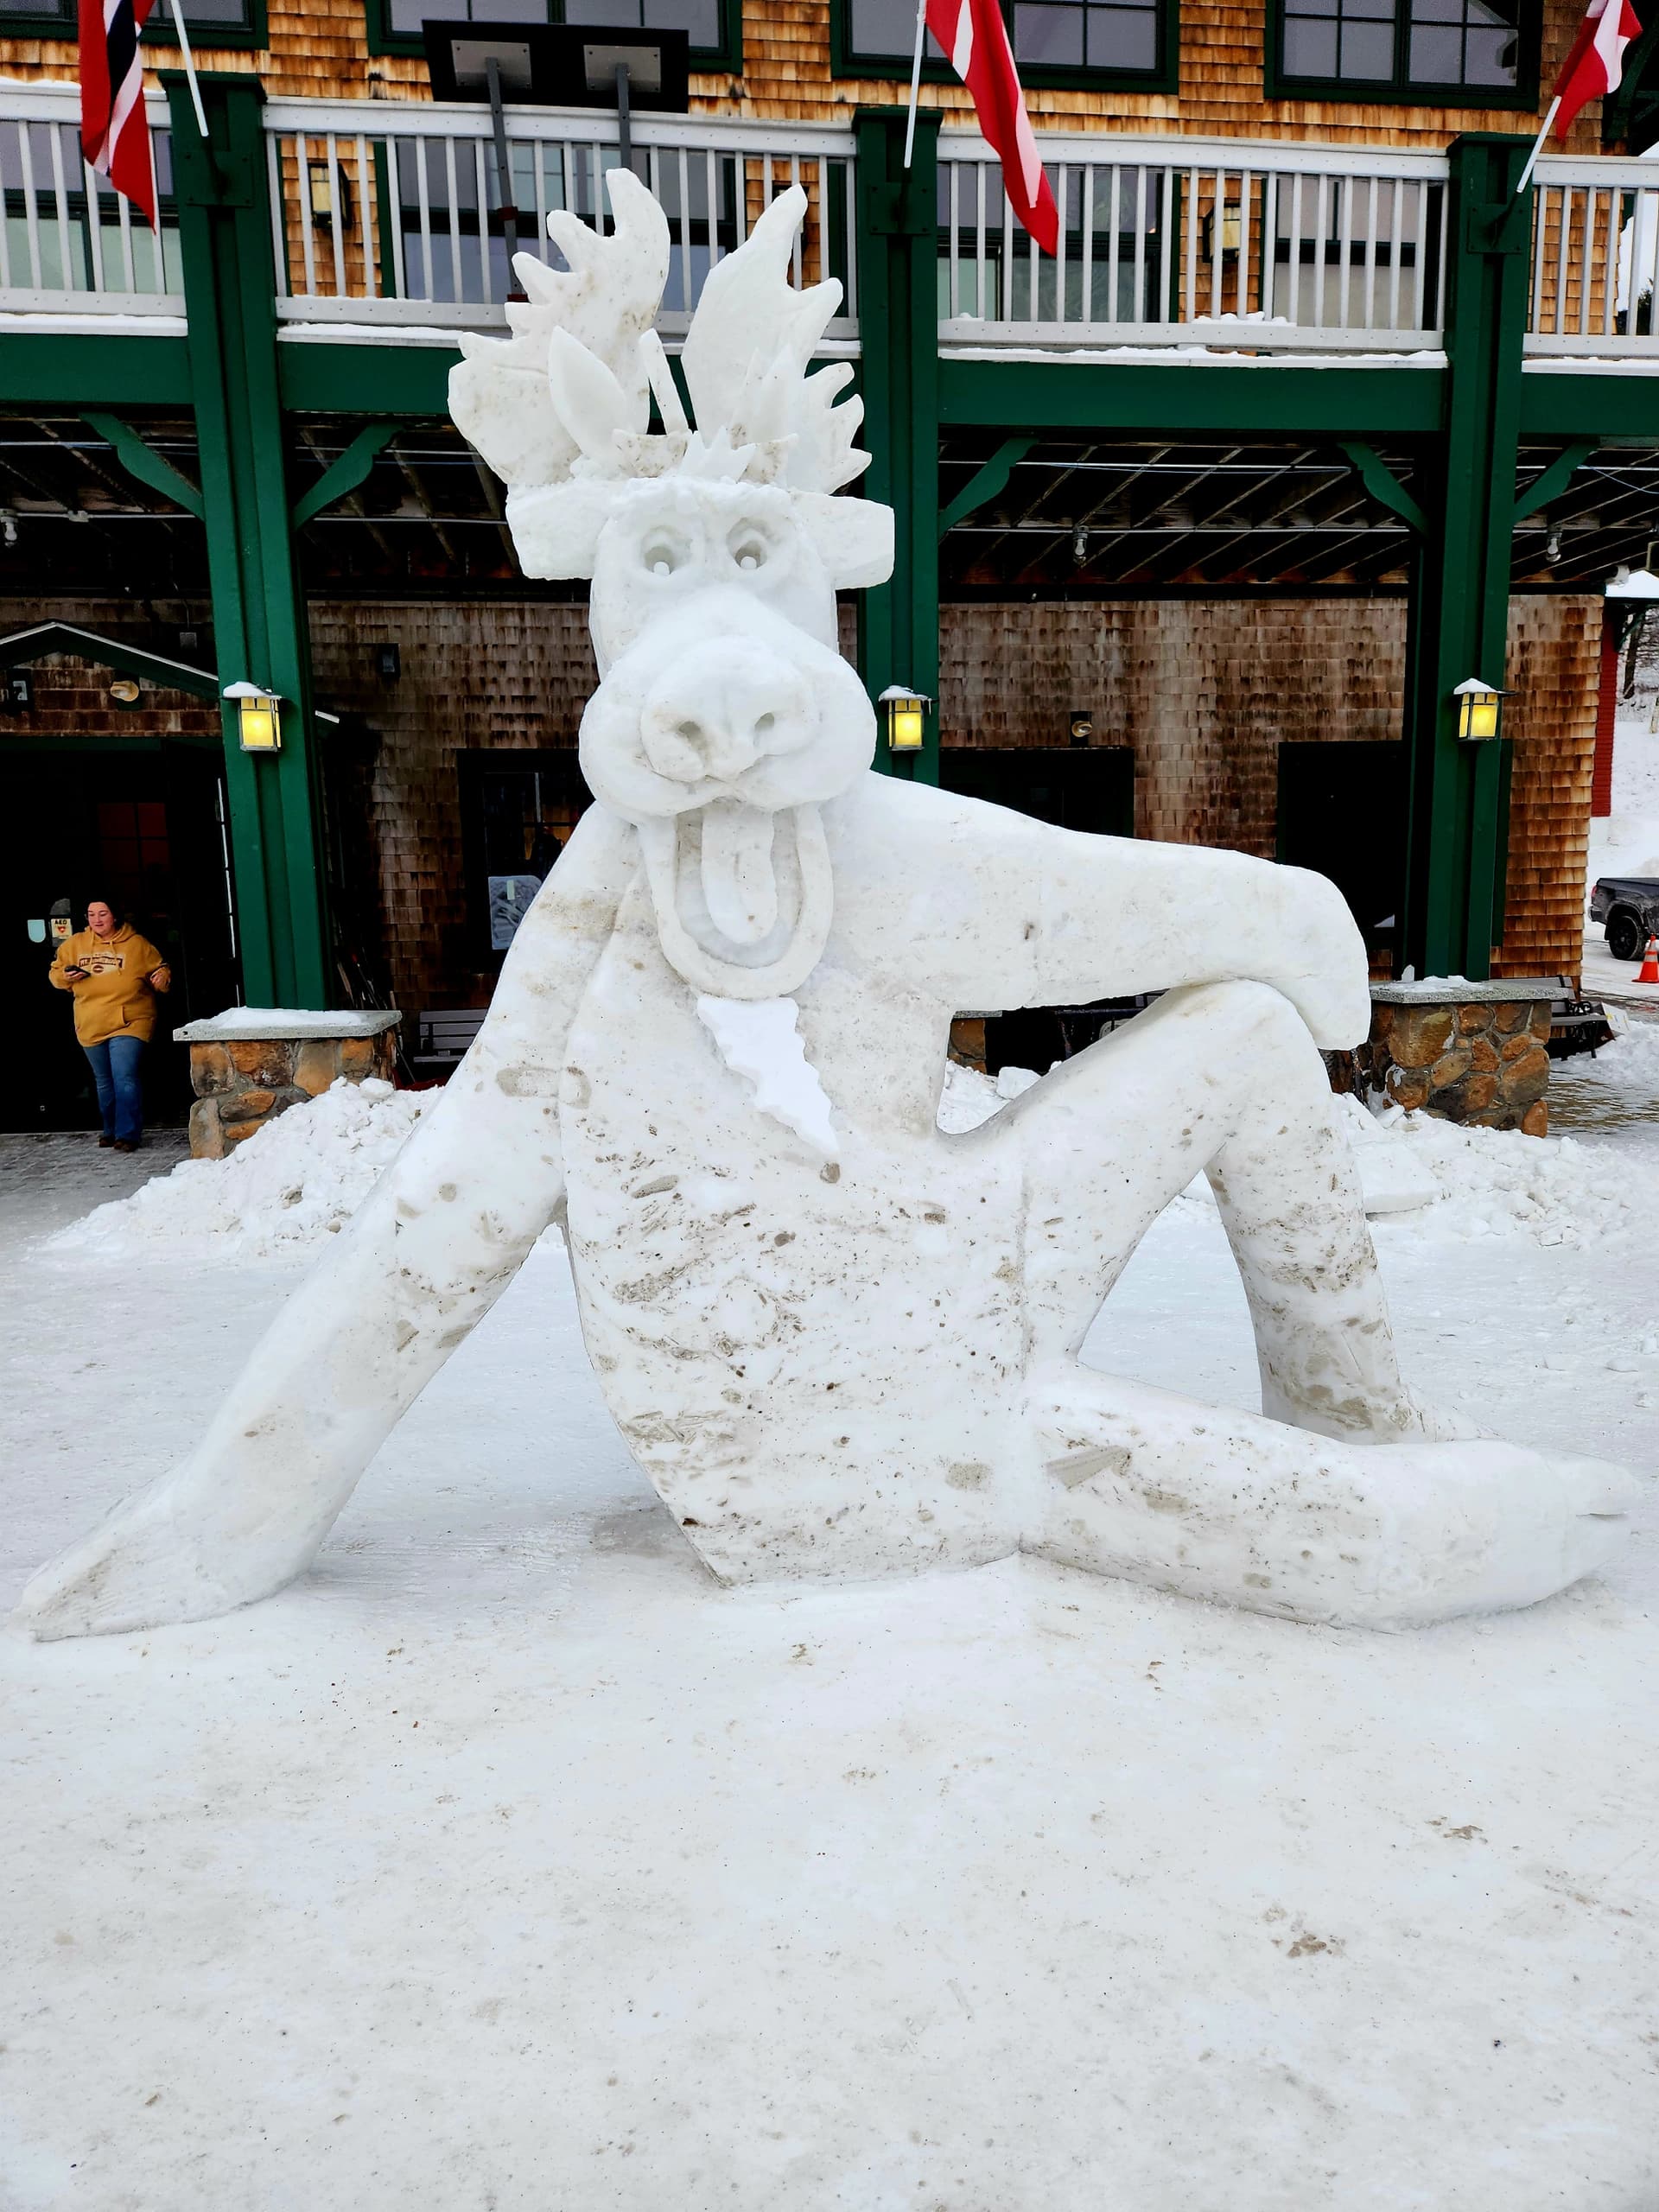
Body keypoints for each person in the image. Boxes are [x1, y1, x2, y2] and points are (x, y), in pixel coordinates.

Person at [49, 899, 171, 1153]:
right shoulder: (75, 945)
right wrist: (64, 976)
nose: (97, 919)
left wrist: (163, 978)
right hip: (91, 1021)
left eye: (103, 913)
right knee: (104, 1081)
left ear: (114, 916)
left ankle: (128, 1135)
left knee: (124, 1076)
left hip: (131, 1020)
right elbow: (55, 974)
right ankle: (110, 1129)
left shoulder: (137, 945)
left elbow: (160, 969)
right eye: (92, 914)